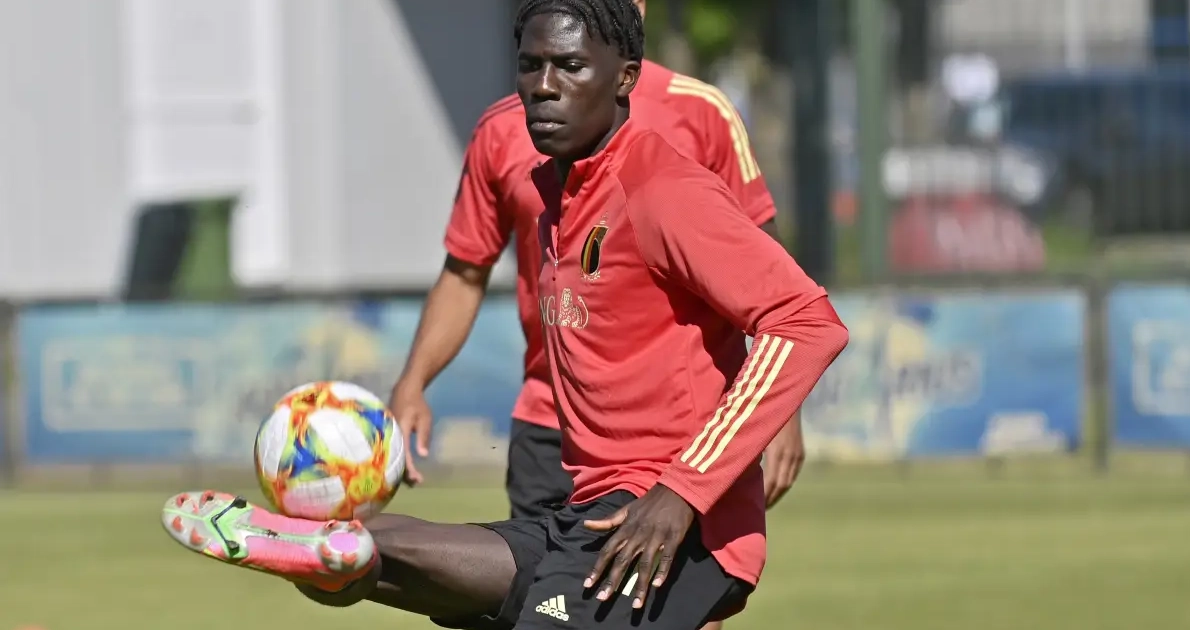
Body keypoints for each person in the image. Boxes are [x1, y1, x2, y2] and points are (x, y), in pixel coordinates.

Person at [160, 2, 847, 629]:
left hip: (676, 524)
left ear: (624, 77)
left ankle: (347, 554)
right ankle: (341, 550)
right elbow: (463, 272)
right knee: (393, 563)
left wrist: (684, 493)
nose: (544, 86)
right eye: (530, 65)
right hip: (588, 508)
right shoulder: (556, 191)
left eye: (570, 66)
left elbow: (806, 321)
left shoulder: (662, 187)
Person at [392, 0, 804, 530]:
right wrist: (413, 382)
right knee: (534, 583)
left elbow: (767, 276)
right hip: (549, 426)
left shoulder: (702, 112)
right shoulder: (502, 128)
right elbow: (465, 273)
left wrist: (782, 415)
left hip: (677, 434)